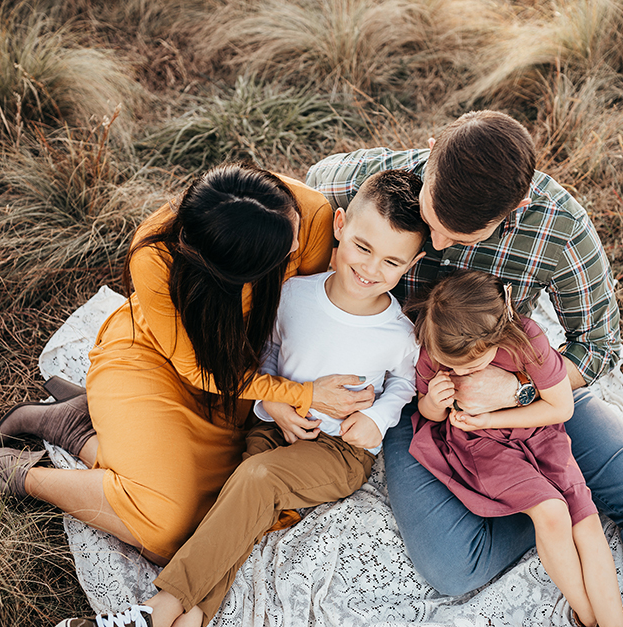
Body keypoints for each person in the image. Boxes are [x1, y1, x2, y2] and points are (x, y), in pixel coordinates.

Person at [304, 110, 623, 627]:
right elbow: (309, 189)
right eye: (431, 221)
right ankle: (561, 501)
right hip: (418, 397)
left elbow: (601, 346)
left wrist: (516, 389)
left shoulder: (560, 229)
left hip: (530, 385)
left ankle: (605, 492)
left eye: (462, 236)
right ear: (431, 152)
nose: (440, 244)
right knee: (452, 567)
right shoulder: (372, 178)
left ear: (515, 207)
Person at [0, 163, 374, 566]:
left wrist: (277, 397)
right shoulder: (155, 253)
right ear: (227, 271)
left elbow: (301, 321)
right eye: (284, 252)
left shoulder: (307, 217)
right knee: (167, 531)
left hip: (240, 373)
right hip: (158, 361)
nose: (298, 248)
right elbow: (195, 369)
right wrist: (297, 394)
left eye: (295, 232)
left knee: (216, 523)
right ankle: (16, 474)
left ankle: (75, 427)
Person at [55, 168, 428, 627]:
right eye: (363, 249)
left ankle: (158, 610)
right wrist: (275, 402)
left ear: (411, 265)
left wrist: (379, 418)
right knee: (232, 505)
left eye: (391, 262)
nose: (370, 269)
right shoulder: (293, 293)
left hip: (340, 447)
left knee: (255, 480)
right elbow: (266, 352)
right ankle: (192, 618)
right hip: (264, 418)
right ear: (341, 228)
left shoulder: (397, 331)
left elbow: (406, 383)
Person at [409, 269, 623, 627]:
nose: (460, 371)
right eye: (452, 366)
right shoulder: (436, 347)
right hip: (480, 446)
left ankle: (615, 623)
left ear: (497, 337)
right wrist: (434, 400)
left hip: (540, 433)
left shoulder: (526, 338)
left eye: (473, 365)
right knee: (552, 511)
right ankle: (588, 619)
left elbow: (561, 407)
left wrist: (488, 418)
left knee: (585, 520)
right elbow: (427, 412)